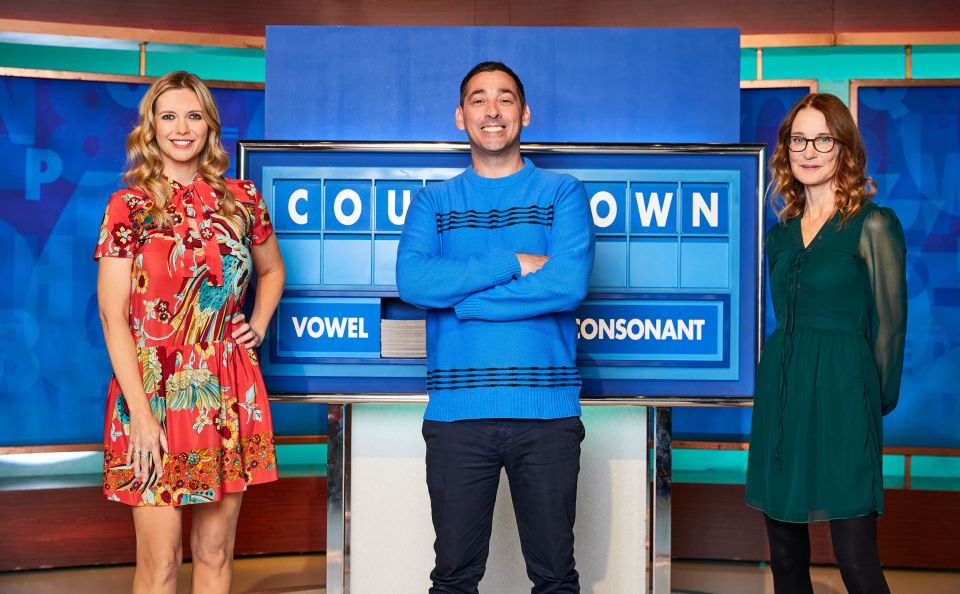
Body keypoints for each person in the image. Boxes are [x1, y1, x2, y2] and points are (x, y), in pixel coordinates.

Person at [396, 61, 595, 594]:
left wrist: (465, 304)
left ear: (524, 113)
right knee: (454, 579)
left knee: (555, 578)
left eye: (505, 98)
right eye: (479, 99)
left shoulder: (562, 193)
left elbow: (567, 285)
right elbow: (415, 282)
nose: (492, 110)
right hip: (458, 418)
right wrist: (510, 260)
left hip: (547, 415)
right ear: (461, 116)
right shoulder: (433, 202)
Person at [95, 71, 285, 593]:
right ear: (151, 127)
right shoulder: (127, 207)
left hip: (226, 390)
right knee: (159, 562)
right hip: (150, 392)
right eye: (169, 116)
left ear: (210, 126)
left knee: (216, 552)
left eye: (194, 116)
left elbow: (272, 270)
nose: (182, 128)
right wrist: (139, 415)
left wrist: (258, 326)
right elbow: (114, 316)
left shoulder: (242, 199)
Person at [745, 93, 907, 594]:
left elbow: (890, 328)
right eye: (799, 139)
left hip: (844, 395)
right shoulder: (780, 234)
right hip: (783, 394)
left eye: (822, 139)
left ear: (845, 149)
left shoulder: (873, 224)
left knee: (855, 558)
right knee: (784, 557)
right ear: (786, 149)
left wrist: (868, 402)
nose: (809, 150)